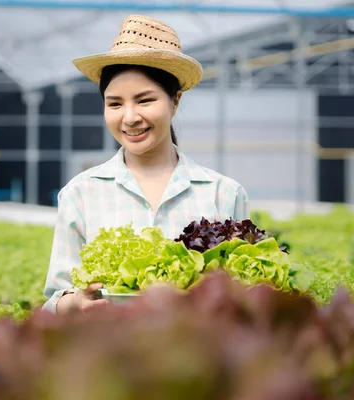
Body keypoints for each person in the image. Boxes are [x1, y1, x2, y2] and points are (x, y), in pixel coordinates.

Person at [42, 14, 250, 315]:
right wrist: (74, 303)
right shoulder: (80, 193)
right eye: (115, 103)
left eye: (144, 100)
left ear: (175, 101)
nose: (129, 117)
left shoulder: (224, 193)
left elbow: (246, 294)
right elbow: (54, 301)